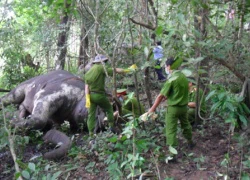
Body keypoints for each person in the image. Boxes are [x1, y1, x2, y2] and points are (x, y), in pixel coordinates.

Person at [147, 57, 194, 162]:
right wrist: (169, 96)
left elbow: (160, 96)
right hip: (184, 107)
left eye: (165, 66)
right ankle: (190, 142)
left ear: (169, 66)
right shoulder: (183, 76)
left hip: (173, 109)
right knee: (185, 125)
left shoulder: (171, 79)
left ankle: (172, 156)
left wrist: (152, 109)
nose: (165, 69)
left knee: (171, 130)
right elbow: (181, 90)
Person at [84, 54, 136, 136]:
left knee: (91, 115)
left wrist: (87, 99)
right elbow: (115, 70)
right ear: (101, 62)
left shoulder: (88, 72)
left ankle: (91, 134)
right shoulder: (101, 68)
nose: (105, 63)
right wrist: (128, 70)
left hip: (90, 96)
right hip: (99, 95)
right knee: (109, 108)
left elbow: (86, 87)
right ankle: (111, 126)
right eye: (104, 61)